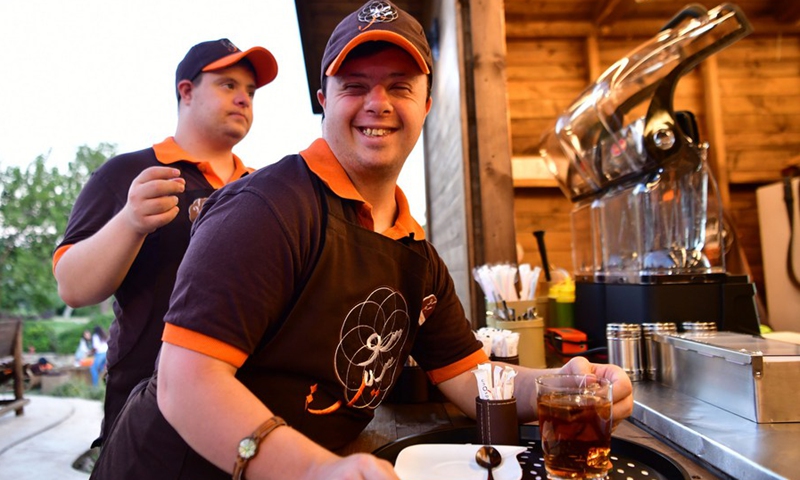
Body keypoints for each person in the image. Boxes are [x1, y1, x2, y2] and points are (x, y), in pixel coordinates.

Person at [89, 2, 633, 479]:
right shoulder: (266, 208)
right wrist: (316, 471)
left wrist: (560, 386)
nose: (378, 102)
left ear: (425, 105)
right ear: (324, 98)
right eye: (355, 86)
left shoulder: (412, 247)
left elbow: (468, 375)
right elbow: (187, 382)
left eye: (400, 86)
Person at [53, 38, 279, 446]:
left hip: (247, 419)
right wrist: (130, 220)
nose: (244, 99)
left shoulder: (263, 188)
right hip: (144, 418)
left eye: (251, 91)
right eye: (228, 85)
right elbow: (72, 287)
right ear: (186, 91)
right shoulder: (128, 173)